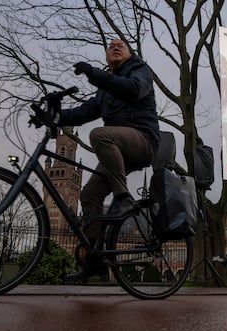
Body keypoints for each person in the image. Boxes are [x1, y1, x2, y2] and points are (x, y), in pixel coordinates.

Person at [55, 39, 160, 279]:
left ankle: (123, 198)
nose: (115, 46)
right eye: (111, 46)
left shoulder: (140, 71)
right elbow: (85, 112)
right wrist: (55, 116)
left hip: (142, 141)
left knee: (99, 135)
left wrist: (93, 74)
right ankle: (94, 261)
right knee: (90, 194)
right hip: (116, 147)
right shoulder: (105, 89)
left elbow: (132, 89)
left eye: (121, 45)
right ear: (106, 57)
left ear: (130, 54)